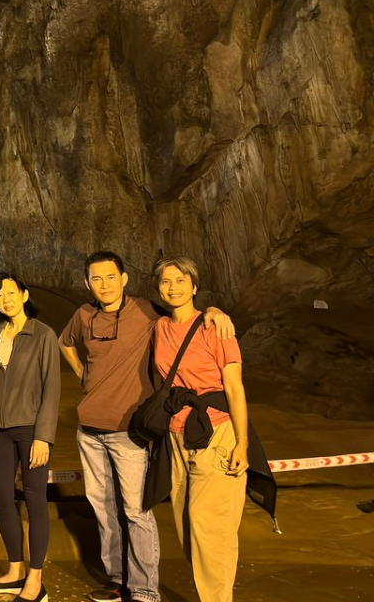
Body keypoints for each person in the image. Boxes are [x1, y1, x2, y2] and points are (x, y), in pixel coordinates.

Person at [59, 251, 234, 602]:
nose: (104, 284)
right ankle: (117, 580)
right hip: (89, 431)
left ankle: (144, 590)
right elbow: (65, 344)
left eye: (111, 277)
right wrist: (84, 376)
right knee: (103, 508)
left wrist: (214, 310)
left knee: (136, 511)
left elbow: (182, 311)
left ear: (124, 279)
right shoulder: (83, 315)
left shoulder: (146, 311)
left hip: (130, 430)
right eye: (96, 278)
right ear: (87, 283)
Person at [151, 257, 249, 602]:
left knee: (211, 529)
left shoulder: (216, 328)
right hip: (178, 436)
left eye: (181, 280)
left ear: (194, 286)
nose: (173, 287)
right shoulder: (159, 326)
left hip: (216, 432)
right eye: (165, 282)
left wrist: (242, 442)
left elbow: (234, 388)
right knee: (187, 527)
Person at [0, 272, 61, 602]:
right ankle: (15, 569)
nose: (6, 299)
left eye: (11, 292)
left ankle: (35, 578)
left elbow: (52, 389)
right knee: (1, 496)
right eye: (0, 295)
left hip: (31, 428)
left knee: (34, 498)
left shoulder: (42, 334)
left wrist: (44, 436)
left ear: (25, 295)